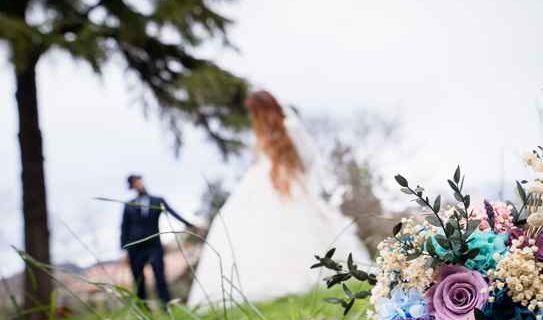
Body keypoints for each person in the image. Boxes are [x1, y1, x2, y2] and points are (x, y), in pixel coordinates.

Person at [188, 91, 371, 307]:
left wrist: (292, 175)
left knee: (294, 228)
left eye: (256, 111)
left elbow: (309, 158)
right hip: (261, 184)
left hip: (288, 184)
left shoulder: (290, 126)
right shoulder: (261, 134)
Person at [121, 174, 196, 308]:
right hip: (135, 248)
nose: (139, 184)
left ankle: (166, 306)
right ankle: (144, 310)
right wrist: (125, 249)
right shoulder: (128, 205)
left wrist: (190, 225)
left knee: (160, 276)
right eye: (135, 183)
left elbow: (173, 213)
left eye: (139, 181)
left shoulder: (157, 200)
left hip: (154, 245)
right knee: (139, 280)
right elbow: (124, 227)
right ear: (132, 187)